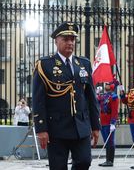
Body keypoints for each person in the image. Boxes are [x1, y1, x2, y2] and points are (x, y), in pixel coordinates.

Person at [32, 22, 100, 170]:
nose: (70, 42)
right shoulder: (45, 65)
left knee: (84, 162)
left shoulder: (83, 64)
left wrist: (95, 125)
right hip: (56, 128)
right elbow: (38, 100)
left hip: (80, 127)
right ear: (56, 41)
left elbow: (91, 98)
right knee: (58, 167)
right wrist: (41, 129)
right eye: (65, 39)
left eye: (72, 39)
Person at [97, 81, 119, 167]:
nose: (106, 85)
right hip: (103, 121)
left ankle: (110, 161)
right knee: (106, 141)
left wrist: (113, 122)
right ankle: (107, 160)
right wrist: (97, 93)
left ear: (112, 86)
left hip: (109, 122)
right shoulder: (104, 95)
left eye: (108, 84)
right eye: (106, 84)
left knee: (110, 141)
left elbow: (115, 110)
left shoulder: (113, 96)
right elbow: (97, 102)